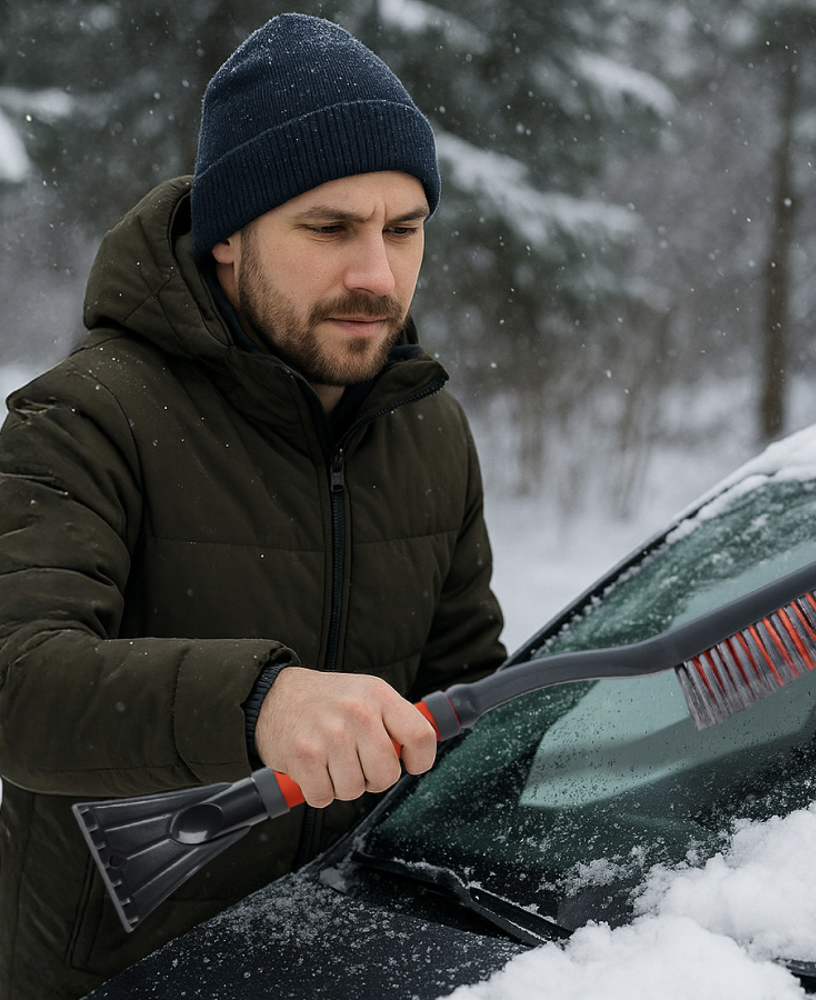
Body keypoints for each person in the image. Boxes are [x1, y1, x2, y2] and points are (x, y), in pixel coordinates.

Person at [0, 13, 506, 1000]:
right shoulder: (89, 415)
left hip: (347, 959)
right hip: (118, 974)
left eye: (403, 230)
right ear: (228, 236)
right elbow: (14, 681)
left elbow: (464, 691)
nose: (376, 274)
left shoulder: (428, 430)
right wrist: (258, 703)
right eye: (329, 228)